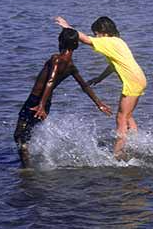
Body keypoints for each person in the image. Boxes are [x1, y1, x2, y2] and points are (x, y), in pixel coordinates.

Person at [14, 27, 113, 167]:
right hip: (46, 103)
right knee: (27, 134)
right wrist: (99, 103)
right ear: (76, 46)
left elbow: (50, 81)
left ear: (60, 42)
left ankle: (27, 168)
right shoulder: (71, 65)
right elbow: (84, 85)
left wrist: (40, 105)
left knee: (19, 136)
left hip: (36, 101)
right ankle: (32, 163)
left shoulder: (56, 59)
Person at [54, 15, 147, 157]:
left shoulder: (107, 42)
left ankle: (117, 153)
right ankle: (136, 144)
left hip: (132, 81)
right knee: (128, 116)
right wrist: (99, 78)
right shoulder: (118, 42)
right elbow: (113, 66)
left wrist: (67, 27)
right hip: (139, 78)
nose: (95, 36)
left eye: (96, 33)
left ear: (103, 32)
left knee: (121, 117)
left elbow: (84, 39)